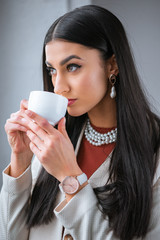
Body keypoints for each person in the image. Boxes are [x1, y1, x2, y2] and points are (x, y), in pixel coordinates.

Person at [0, 4, 160, 240]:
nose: (58, 86)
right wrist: (21, 161)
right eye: (52, 70)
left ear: (112, 65)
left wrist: (69, 176)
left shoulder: (154, 152)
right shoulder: (52, 141)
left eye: (72, 67)